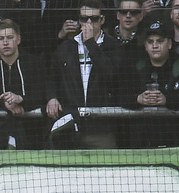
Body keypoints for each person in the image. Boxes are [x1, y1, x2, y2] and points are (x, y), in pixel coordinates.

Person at [46, 0, 125, 148]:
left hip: (102, 129)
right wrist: (52, 97)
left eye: (94, 19)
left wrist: (90, 43)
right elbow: (52, 78)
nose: (89, 23)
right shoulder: (66, 48)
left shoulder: (113, 46)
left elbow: (111, 74)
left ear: (102, 20)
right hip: (71, 128)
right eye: (84, 18)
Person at [120, 19, 179, 146]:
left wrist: (167, 99)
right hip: (144, 143)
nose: (155, 46)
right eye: (150, 42)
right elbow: (119, 95)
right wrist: (138, 99)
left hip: (178, 141)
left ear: (170, 44)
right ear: (145, 46)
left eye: (160, 41)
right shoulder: (136, 67)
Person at [0, 19, 51, 149]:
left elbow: (42, 93)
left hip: (33, 131)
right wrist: (5, 104)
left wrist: (22, 100)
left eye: (10, 37)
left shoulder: (34, 63)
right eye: (1, 38)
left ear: (18, 39)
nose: (6, 42)